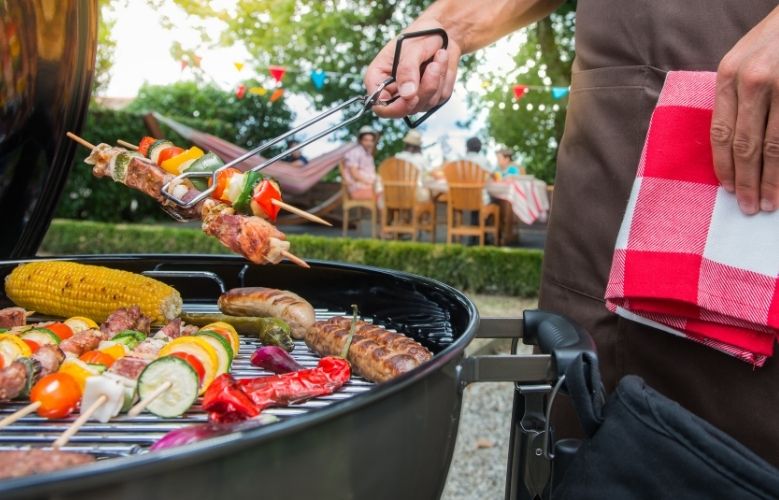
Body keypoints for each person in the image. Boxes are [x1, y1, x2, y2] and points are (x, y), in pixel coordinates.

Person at [365, 0, 779, 467]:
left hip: (755, 143)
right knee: (573, 421)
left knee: (733, 450)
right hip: (601, 158)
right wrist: (447, 25)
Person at [342, 125, 379, 200]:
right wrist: (370, 182)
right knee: (386, 193)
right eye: (366, 140)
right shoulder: (355, 152)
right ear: (360, 140)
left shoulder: (368, 154)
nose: (369, 143)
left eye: (371, 140)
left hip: (369, 185)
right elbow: (354, 174)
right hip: (359, 187)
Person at [395, 130, 433, 202]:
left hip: (397, 192)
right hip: (415, 193)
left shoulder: (398, 157)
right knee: (430, 196)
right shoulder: (422, 159)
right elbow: (429, 174)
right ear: (418, 146)